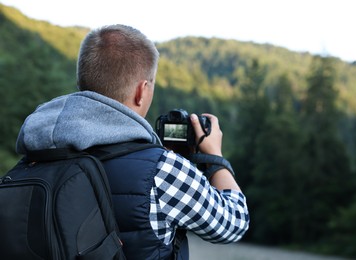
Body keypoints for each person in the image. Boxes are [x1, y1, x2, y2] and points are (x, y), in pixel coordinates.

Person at [16, 24, 249, 259]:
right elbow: (234, 223)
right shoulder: (162, 170)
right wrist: (215, 159)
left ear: (82, 83)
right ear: (142, 91)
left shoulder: (33, 157)